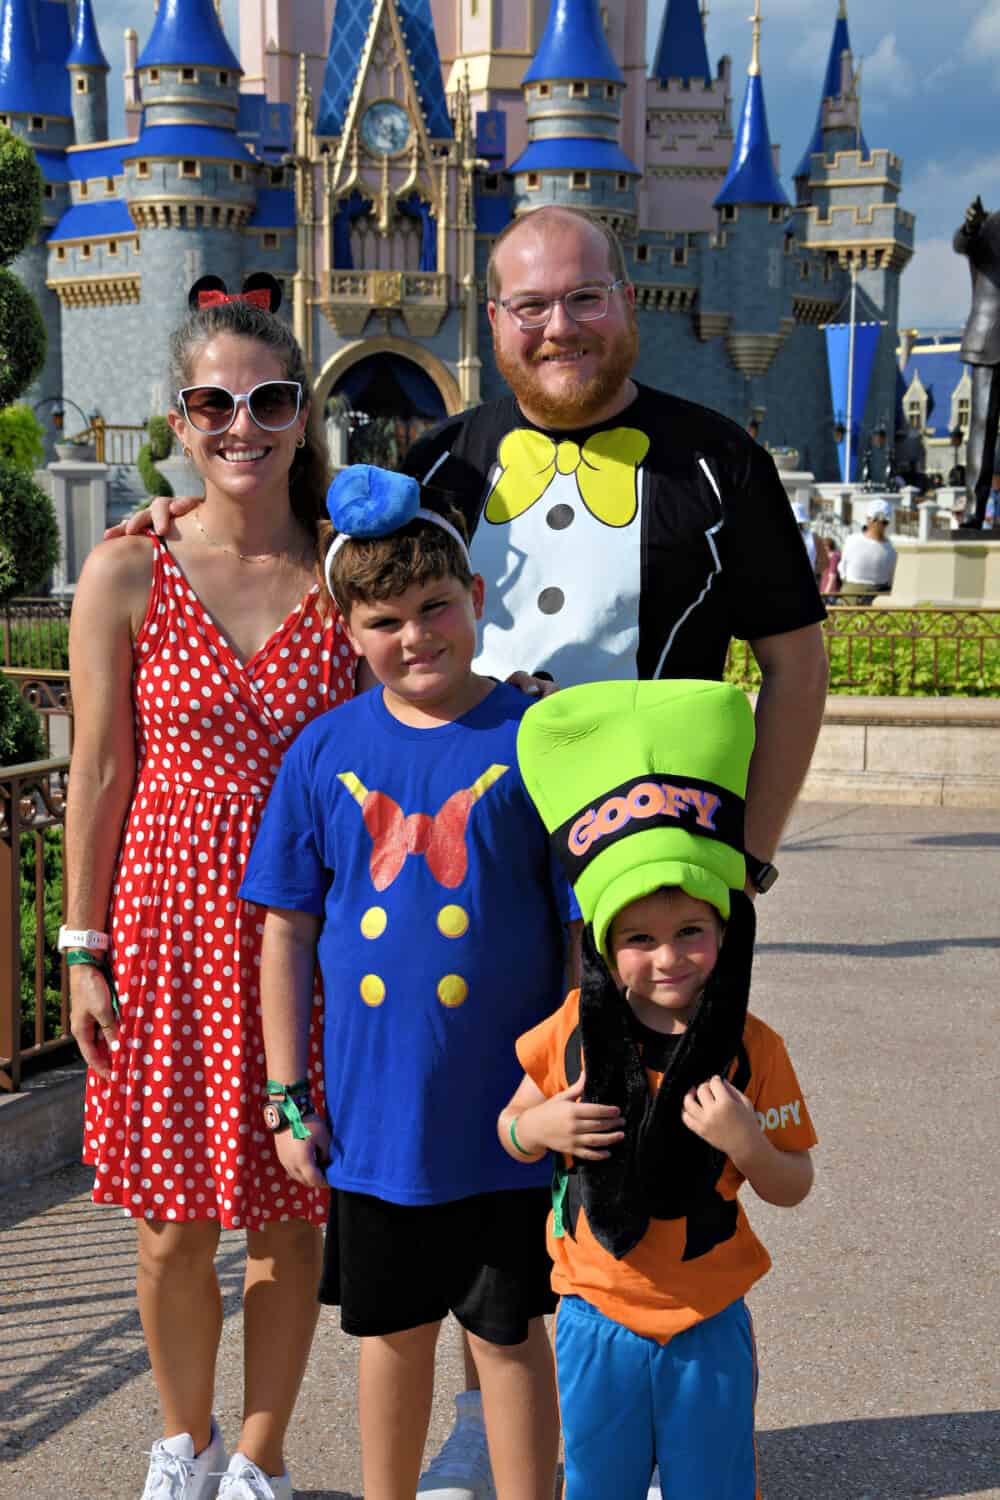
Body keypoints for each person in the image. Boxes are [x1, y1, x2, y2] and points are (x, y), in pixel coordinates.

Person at [66, 278, 358, 1500]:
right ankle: (181, 1444)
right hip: (166, 930)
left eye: (268, 399)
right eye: (213, 403)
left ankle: (259, 1455)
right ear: (178, 422)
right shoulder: (127, 571)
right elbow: (97, 765)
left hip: (310, 937)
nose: (243, 424)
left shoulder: (352, 574)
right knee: (173, 1224)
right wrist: (81, 944)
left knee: (291, 1216)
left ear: (303, 415)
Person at [238, 464, 572, 1500]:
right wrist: (289, 1098)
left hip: (510, 1120)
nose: (416, 636)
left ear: (475, 597)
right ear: (347, 629)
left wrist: (559, 1075)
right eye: (385, 620)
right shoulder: (321, 750)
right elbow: (285, 934)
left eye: (435, 608)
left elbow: (574, 932)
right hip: (377, 1124)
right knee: (388, 1333)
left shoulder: (533, 743)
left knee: (508, 1335)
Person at [402, 205, 828, 887]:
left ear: (629, 304)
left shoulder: (723, 461)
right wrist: (187, 522)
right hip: (462, 863)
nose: (560, 327)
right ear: (494, 321)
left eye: (586, 298)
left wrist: (747, 860)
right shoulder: (434, 466)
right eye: (531, 306)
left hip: (656, 874)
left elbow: (797, 664)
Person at [500, 679, 817, 1500]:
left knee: (711, 1485)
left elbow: (792, 1184)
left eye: (690, 934)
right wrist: (542, 1128)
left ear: (723, 932)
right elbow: (508, 1126)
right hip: (593, 1316)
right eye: (639, 939)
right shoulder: (571, 1027)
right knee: (598, 1483)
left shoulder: (753, 1049)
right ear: (606, 946)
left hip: (707, 1322)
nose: (667, 957)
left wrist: (747, 1140)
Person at [953, 195, 1000, 528]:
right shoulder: (989, 226)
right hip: (990, 338)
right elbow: (963, 242)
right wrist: (971, 224)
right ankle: (973, 509)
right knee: (982, 427)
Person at [838, 499, 897, 600]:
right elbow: (891, 577)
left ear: (868, 519)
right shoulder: (893, 548)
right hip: (880, 600)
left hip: (851, 597)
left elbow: (842, 569)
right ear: (888, 522)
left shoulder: (851, 540)